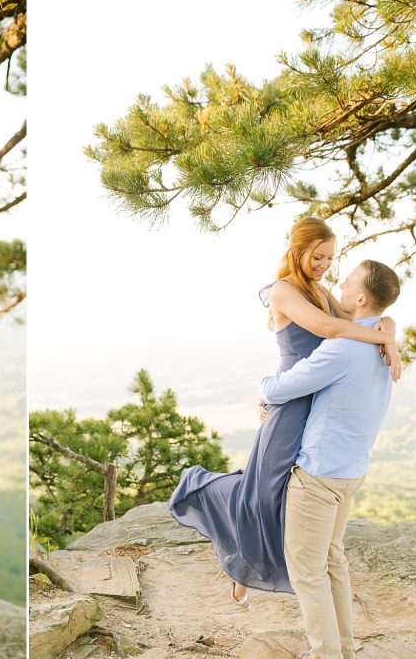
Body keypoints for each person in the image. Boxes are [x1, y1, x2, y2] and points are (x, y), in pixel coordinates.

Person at [169, 217, 400, 607]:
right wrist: (384, 338)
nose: (325, 265)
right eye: (318, 256)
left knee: (288, 498)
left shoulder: (321, 290)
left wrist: (389, 329)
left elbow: (364, 318)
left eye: (330, 258)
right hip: (292, 400)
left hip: (318, 401)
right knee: (262, 494)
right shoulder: (283, 291)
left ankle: (248, 569)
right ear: (298, 250)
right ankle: (204, 496)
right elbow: (331, 329)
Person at [266, 260, 401, 659]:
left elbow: (286, 387)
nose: (339, 282)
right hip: (350, 471)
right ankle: (343, 658)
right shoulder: (381, 348)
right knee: (331, 562)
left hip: (319, 474)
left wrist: (263, 387)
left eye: (348, 281)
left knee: (308, 573)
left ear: (362, 298)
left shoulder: (344, 346)